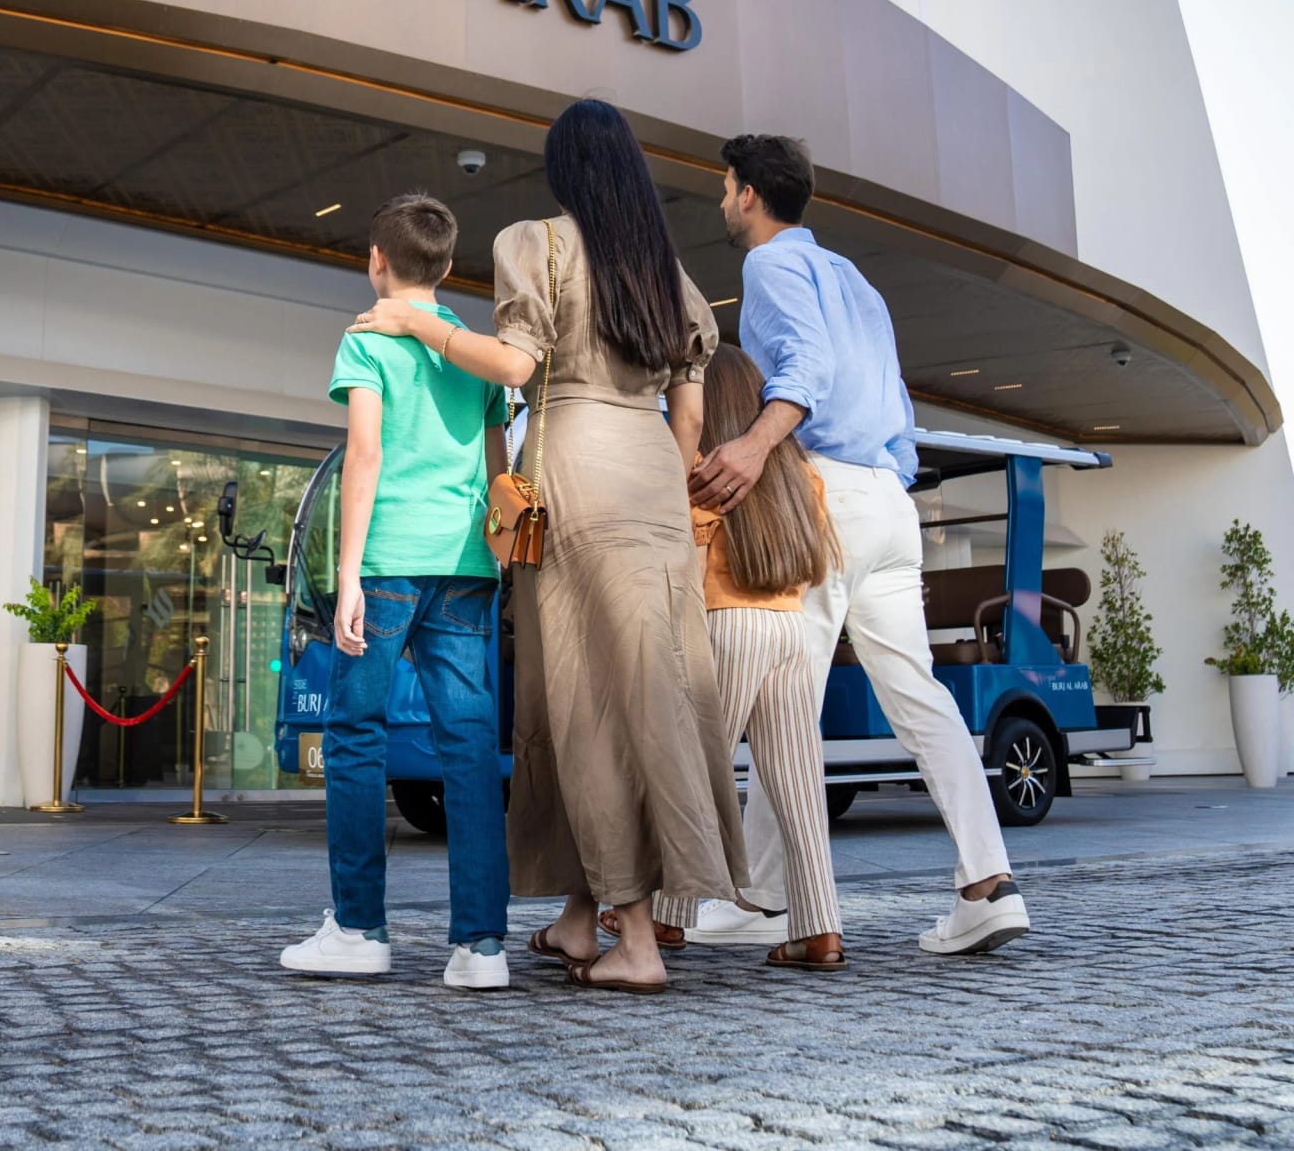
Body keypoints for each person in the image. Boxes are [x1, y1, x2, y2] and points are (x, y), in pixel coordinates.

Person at [353, 99, 744, 995]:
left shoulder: (537, 243)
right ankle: (580, 918)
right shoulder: (668, 273)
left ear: (565, 168)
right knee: (655, 690)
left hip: (573, 466)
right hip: (652, 479)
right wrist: (669, 501)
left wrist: (421, 323)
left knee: (581, 704)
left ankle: (635, 940)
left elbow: (518, 368)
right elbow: (688, 416)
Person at [689, 134, 1030, 957]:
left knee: (782, 703)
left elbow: (801, 369)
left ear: (748, 196)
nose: (722, 201)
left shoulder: (770, 268)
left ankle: (775, 902)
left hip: (828, 495)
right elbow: (895, 397)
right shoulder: (855, 279)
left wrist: (753, 445)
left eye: (725, 187)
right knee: (916, 696)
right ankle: (987, 880)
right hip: (889, 496)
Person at [281, 192, 512, 990]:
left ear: (374, 261)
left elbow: (366, 458)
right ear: (447, 269)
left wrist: (346, 575)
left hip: (385, 565)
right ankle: (482, 947)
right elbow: (496, 464)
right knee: (470, 750)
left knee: (356, 738)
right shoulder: (471, 351)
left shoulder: (366, 339)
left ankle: (358, 930)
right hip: (466, 567)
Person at [650, 344, 846, 970]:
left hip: (725, 625)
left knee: (696, 776)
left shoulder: (703, 471)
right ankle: (821, 930)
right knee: (799, 789)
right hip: (790, 630)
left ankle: (666, 917)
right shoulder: (797, 472)